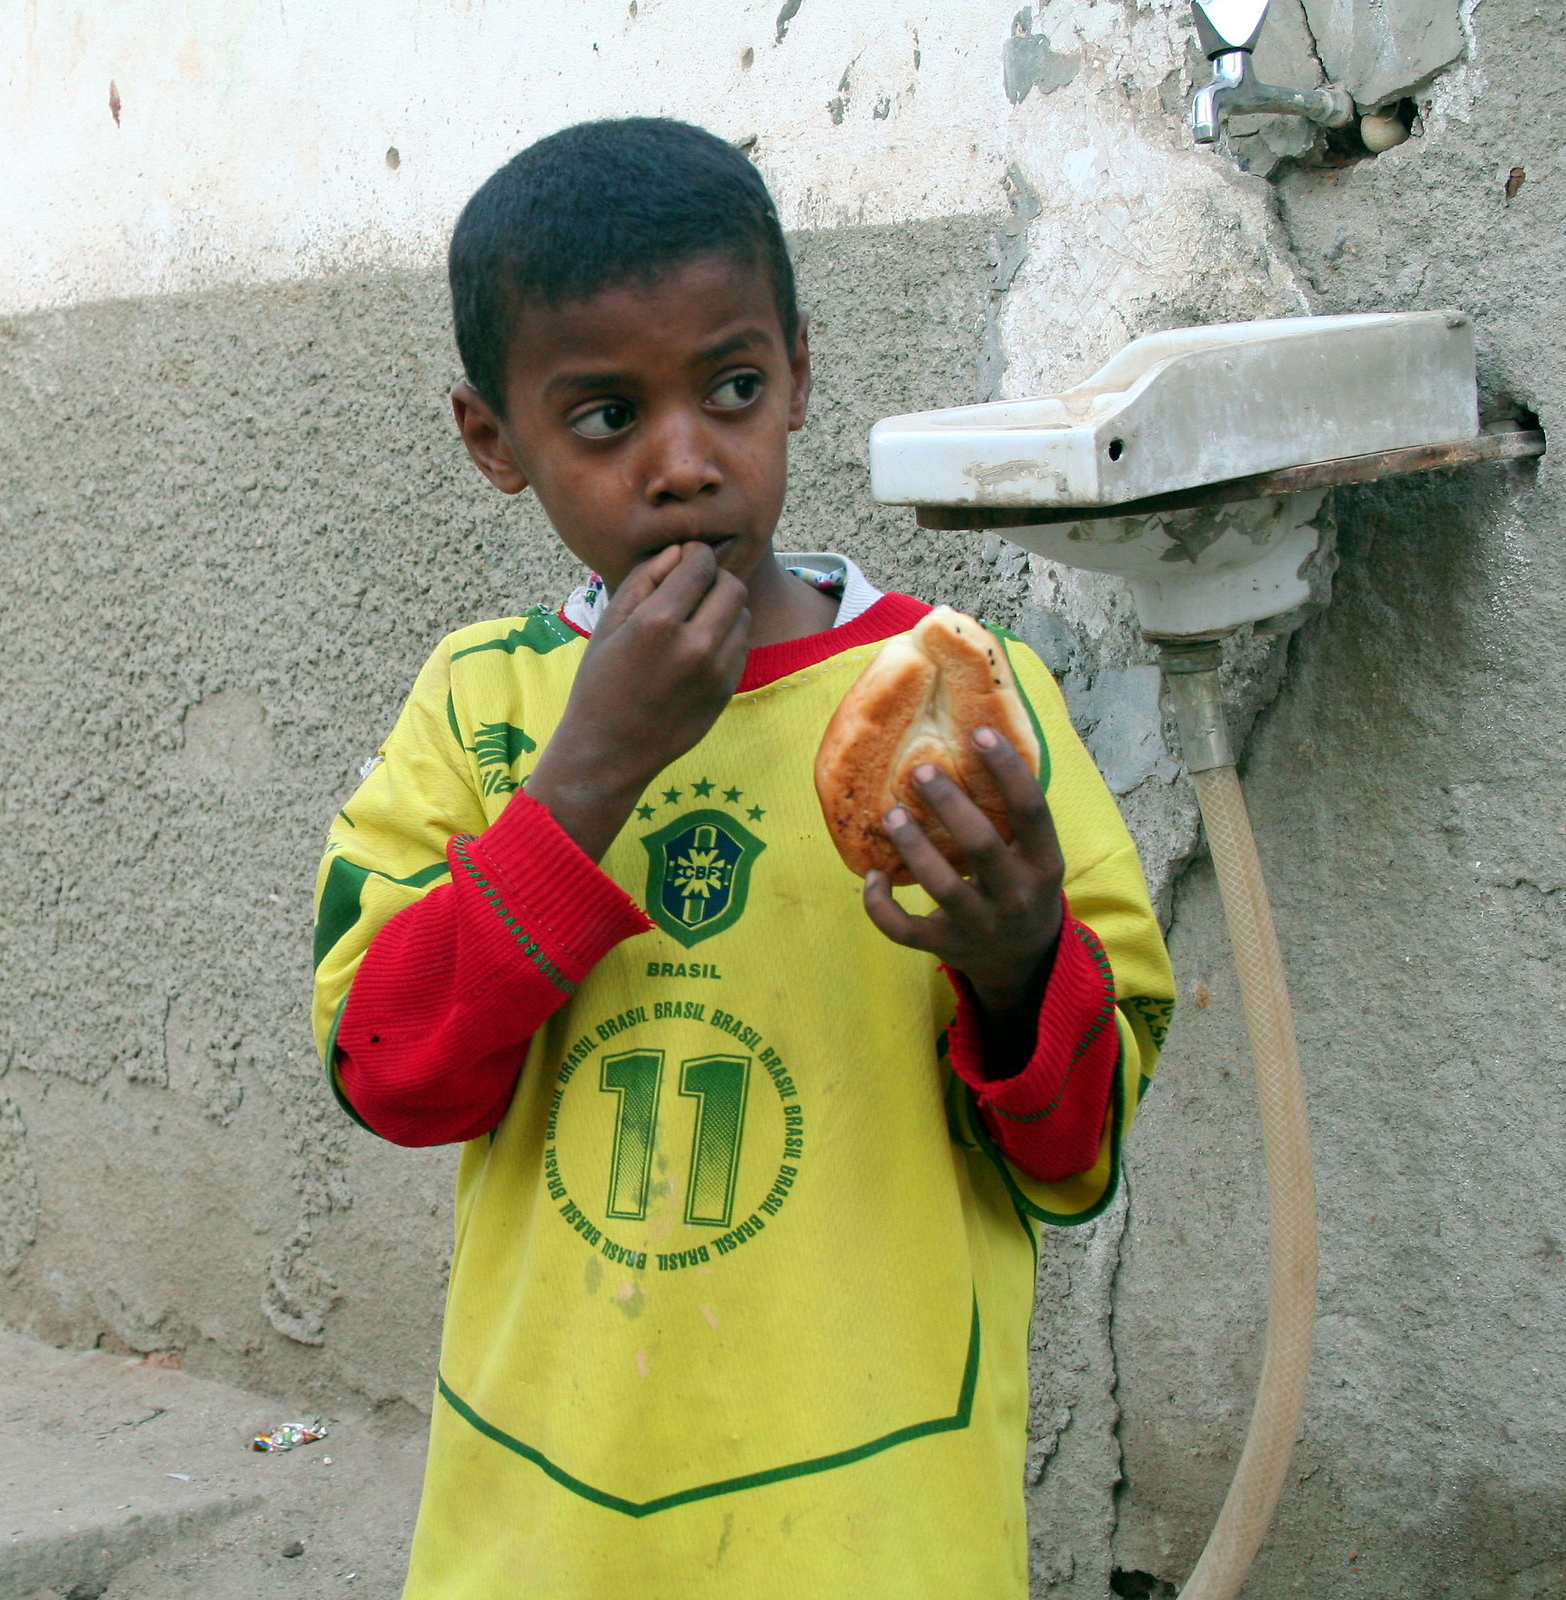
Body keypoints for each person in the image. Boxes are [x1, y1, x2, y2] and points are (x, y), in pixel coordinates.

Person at [308, 118, 1173, 1598]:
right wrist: (585, 774)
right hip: (553, 1522)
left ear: (801, 377)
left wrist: (1020, 958)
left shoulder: (966, 702)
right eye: (603, 418)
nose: (686, 462)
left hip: (878, 1526)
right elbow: (389, 1071)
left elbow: (1077, 1161)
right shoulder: (479, 705)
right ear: (490, 441)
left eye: (733, 388)